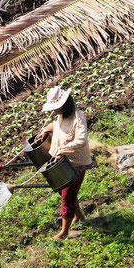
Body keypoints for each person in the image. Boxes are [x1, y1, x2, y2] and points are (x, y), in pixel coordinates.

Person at [37, 86, 93, 240]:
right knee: (66, 192)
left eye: (56, 108)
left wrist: (63, 149)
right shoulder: (62, 115)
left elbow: (81, 140)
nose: (54, 111)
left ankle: (64, 233)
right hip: (63, 161)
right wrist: (47, 129)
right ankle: (79, 217)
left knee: (67, 196)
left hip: (76, 162)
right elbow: (58, 126)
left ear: (65, 104)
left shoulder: (77, 117)